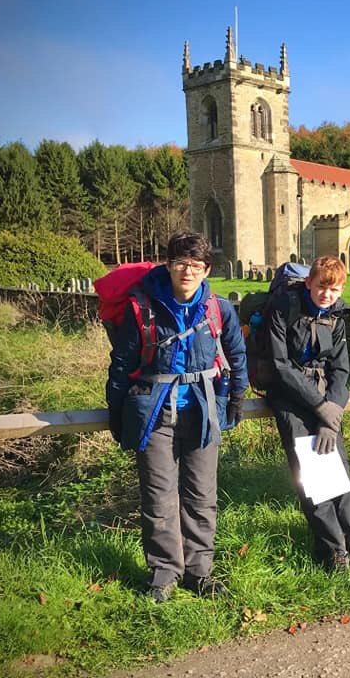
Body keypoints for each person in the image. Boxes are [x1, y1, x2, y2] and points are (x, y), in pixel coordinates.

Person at [106, 231, 247, 603]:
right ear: (168, 264)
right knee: (158, 497)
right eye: (180, 262)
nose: (187, 271)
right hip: (152, 413)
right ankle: (165, 572)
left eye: (196, 265)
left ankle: (199, 571)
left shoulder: (219, 309)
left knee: (202, 495)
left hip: (202, 412)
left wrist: (236, 399)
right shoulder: (142, 308)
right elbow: (121, 366)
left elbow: (236, 356)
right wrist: (117, 418)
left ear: (206, 269)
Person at [262, 256, 350, 571]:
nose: (327, 294)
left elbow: (341, 369)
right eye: (322, 286)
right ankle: (333, 550)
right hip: (290, 399)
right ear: (309, 282)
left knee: (338, 471)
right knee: (312, 476)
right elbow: (280, 366)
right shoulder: (283, 309)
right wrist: (319, 407)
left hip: (326, 400)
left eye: (335, 289)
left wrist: (331, 413)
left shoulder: (337, 316)